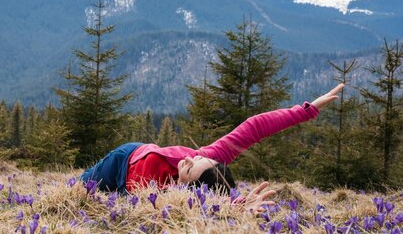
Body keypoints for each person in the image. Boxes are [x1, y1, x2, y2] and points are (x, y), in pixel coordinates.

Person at [81, 84, 345, 210]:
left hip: (138, 182)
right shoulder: (206, 158)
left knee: (103, 199)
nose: (187, 160)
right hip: (124, 158)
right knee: (80, 188)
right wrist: (307, 110)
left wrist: (236, 204)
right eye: (197, 160)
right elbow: (254, 127)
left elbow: (208, 201)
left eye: (190, 169)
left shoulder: (172, 195)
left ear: (186, 188)